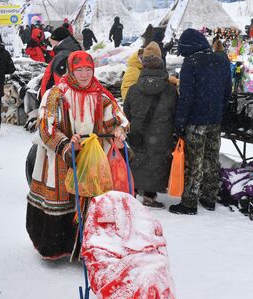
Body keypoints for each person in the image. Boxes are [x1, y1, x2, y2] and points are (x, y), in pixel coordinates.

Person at [26, 51, 129, 260]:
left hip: (93, 158)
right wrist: (66, 144)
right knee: (64, 198)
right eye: (79, 70)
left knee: (91, 200)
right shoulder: (56, 94)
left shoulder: (101, 96)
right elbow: (46, 128)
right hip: (60, 159)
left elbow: (116, 121)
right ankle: (58, 246)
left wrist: (119, 132)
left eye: (88, 70)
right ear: (71, 71)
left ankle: (88, 247)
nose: (84, 75)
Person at [169, 28, 232, 215]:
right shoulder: (222, 60)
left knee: (194, 160)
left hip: (196, 120)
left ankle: (189, 202)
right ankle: (209, 197)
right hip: (215, 118)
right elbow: (227, 91)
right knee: (212, 158)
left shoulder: (192, 63)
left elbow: (186, 97)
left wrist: (179, 123)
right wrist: (220, 111)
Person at [124, 42, 177, 208]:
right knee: (156, 160)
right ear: (161, 63)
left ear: (143, 63)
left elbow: (126, 112)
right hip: (161, 132)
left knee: (139, 157)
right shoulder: (170, 89)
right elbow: (176, 111)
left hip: (138, 131)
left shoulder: (134, 89)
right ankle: (149, 195)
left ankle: (136, 188)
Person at [40, 27, 82, 97]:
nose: (51, 44)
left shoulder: (62, 56)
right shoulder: (75, 50)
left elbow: (59, 83)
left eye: (51, 41)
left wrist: (46, 101)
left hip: (60, 101)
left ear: (57, 41)